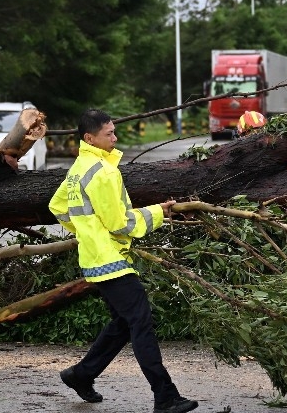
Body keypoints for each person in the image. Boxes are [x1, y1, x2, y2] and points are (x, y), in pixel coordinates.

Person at [50, 109, 198, 413]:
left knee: (123, 323)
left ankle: (81, 375)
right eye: (109, 134)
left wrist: (85, 230)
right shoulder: (104, 172)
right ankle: (165, 396)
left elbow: (58, 206)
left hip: (95, 257)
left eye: (114, 132)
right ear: (89, 138)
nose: (115, 138)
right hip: (111, 259)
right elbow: (121, 224)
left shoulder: (79, 167)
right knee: (140, 322)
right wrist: (159, 212)